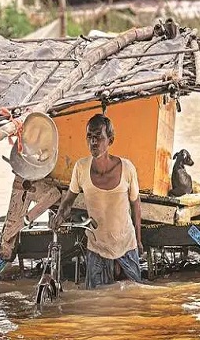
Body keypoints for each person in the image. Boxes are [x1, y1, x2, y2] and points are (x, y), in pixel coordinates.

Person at [49, 114, 143, 289]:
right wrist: (60, 215)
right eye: (89, 137)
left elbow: (136, 205)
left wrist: (138, 240)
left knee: (134, 297)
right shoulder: (81, 167)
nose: (93, 142)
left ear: (110, 140)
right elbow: (69, 199)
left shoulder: (127, 168)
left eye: (98, 137)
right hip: (97, 246)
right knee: (95, 301)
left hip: (126, 244)